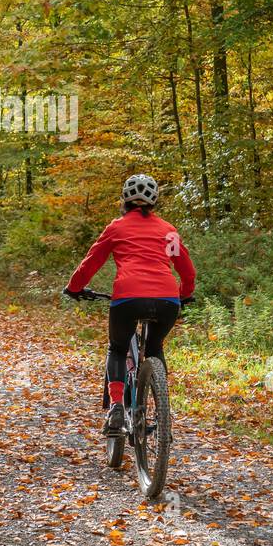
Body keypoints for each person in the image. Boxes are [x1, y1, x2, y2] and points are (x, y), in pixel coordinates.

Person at [63, 174, 195, 436]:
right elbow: (187, 271)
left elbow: (91, 263)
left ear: (124, 200)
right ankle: (162, 413)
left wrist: (74, 288)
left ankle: (115, 409)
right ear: (154, 202)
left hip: (128, 296)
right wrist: (183, 295)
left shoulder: (116, 227)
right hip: (167, 300)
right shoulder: (168, 231)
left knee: (117, 347)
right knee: (155, 347)